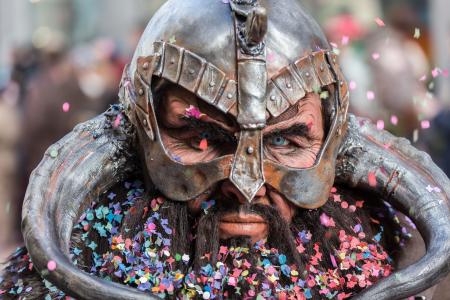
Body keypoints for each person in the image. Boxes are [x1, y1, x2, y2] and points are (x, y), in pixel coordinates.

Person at [1, 0, 449, 299]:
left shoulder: (386, 258)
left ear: (330, 141)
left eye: (284, 140)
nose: (247, 186)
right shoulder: (67, 269)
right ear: (141, 132)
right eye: (203, 138)